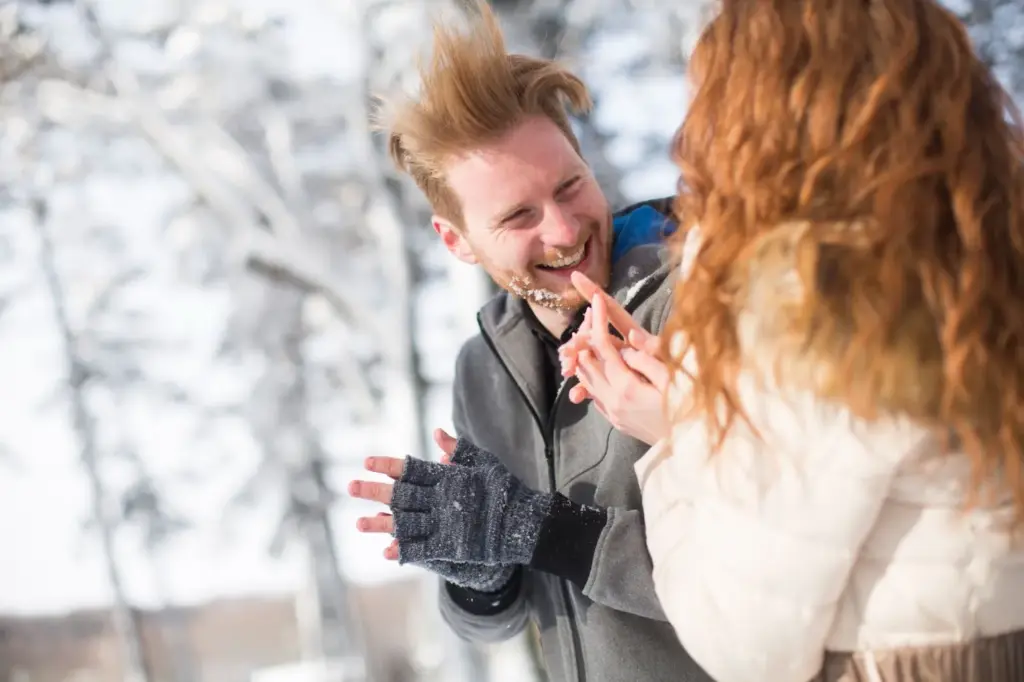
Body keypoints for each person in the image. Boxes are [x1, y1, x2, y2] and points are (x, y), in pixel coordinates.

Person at [562, 0, 1024, 680]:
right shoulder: (982, 257)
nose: (689, 137)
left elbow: (745, 642)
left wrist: (675, 440)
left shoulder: (816, 294)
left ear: (764, 120)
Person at [346, 3, 709, 682]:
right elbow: (499, 622)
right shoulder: (484, 372)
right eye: (519, 215)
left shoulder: (701, 303)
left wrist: (547, 532)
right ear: (456, 240)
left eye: (571, 185)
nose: (566, 230)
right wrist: (480, 573)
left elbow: (766, 573)